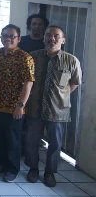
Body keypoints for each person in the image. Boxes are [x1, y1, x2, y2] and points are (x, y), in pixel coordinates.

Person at [25, 26, 81, 187]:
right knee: (31, 141)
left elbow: (75, 83)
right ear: (44, 38)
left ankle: (50, 172)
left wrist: (60, 96)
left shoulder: (71, 60)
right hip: (35, 107)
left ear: (63, 40)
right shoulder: (33, 57)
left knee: (55, 144)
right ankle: (33, 168)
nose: (52, 38)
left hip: (58, 111)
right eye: (48, 35)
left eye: (57, 36)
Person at [0, 24, 35, 182]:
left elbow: (28, 83)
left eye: (12, 36)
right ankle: (0, 163)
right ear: (1, 37)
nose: (8, 39)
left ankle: (12, 169)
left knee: (13, 140)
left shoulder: (25, 58)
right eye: (5, 36)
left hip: (14, 108)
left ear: (19, 39)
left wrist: (20, 105)